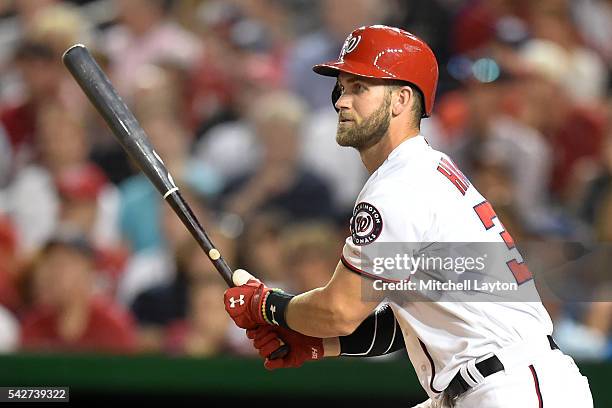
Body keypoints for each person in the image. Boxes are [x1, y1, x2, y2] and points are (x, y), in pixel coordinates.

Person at [222, 25, 593, 407]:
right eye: (342, 88)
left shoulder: (400, 186)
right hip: (497, 381)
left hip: (510, 388)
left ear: (401, 99)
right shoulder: (424, 170)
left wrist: (267, 305)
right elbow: (404, 324)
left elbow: (339, 310)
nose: (341, 101)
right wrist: (317, 342)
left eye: (359, 88)